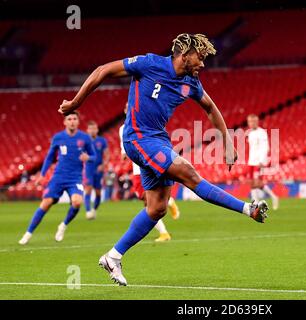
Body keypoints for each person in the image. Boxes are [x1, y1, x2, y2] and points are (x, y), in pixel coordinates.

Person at [59, 33, 269, 286]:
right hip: (137, 138)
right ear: (184, 54)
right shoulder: (149, 63)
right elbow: (103, 70)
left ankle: (113, 256)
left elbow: (210, 107)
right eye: (200, 58)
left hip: (158, 140)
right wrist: (75, 102)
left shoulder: (191, 83)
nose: (203, 64)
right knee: (189, 174)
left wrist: (226, 141)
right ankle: (249, 208)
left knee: (157, 208)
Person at [19, 112, 96, 245]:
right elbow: (49, 157)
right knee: (46, 203)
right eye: (69, 119)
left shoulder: (85, 138)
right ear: (64, 122)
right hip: (58, 177)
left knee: (77, 202)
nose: (72, 121)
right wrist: (42, 174)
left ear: (78, 121)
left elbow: (94, 156)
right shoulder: (58, 138)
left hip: (75, 178)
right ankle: (28, 233)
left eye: (74, 119)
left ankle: (63, 225)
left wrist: (88, 158)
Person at [119, 103, 180, 242]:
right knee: (146, 201)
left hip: (147, 167)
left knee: (148, 203)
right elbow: (124, 151)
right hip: (137, 168)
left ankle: (164, 232)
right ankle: (169, 205)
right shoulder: (123, 129)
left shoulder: (145, 123)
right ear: (124, 111)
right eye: (127, 107)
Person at [246, 114, 279, 210]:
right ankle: (255, 204)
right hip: (251, 161)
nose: (251, 123)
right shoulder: (250, 133)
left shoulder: (262, 133)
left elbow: (266, 148)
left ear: (257, 122)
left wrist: (261, 161)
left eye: (253, 121)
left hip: (259, 162)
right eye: (249, 121)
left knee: (258, 183)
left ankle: (273, 197)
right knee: (252, 183)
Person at [84, 121, 109, 220]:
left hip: (98, 168)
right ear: (87, 130)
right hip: (88, 168)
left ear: (97, 130)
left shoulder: (102, 141)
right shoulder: (85, 141)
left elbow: (107, 154)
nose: (92, 130)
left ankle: (94, 210)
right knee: (88, 189)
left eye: (94, 128)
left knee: (98, 192)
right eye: (90, 128)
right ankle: (88, 211)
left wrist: (104, 164)